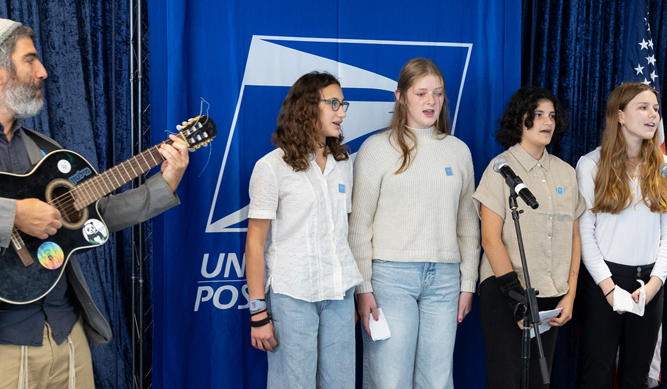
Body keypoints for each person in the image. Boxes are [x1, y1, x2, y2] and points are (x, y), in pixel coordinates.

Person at [0, 18, 189, 388]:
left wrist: (163, 184)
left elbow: (94, 218)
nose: (44, 71)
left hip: (65, 334)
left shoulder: (43, 150)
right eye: (31, 60)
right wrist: (15, 214)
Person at [348, 57, 480, 389]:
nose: (431, 101)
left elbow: (467, 223)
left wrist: (468, 283)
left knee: (437, 380)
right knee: (389, 379)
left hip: (445, 280)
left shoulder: (458, 151)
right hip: (391, 277)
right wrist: (363, 289)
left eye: (437, 93)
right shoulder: (376, 149)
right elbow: (359, 225)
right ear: (401, 96)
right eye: (421, 93)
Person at [244, 71, 363, 389]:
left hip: (339, 295)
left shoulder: (345, 163)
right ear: (308, 107)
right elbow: (255, 244)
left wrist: (351, 297)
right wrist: (258, 312)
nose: (343, 112)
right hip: (292, 296)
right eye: (334, 103)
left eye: (343, 103)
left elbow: (345, 232)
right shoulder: (271, 167)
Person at [473, 86, 584, 387]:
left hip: (552, 296)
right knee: (506, 379)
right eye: (538, 115)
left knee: (540, 381)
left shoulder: (566, 173)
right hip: (508, 292)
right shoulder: (500, 168)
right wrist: (516, 300)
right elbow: (490, 239)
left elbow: (574, 237)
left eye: (551, 116)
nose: (547, 122)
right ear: (521, 120)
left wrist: (571, 294)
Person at [576, 82, 666, 388]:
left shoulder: (663, 169)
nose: (652, 114)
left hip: (649, 287)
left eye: (655, 108)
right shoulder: (591, 165)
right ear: (621, 115)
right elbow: (584, 233)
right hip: (605, 283)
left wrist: (654, 284)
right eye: (643, 107)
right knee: (598, 371)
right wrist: (609, 288)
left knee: (636, 374)